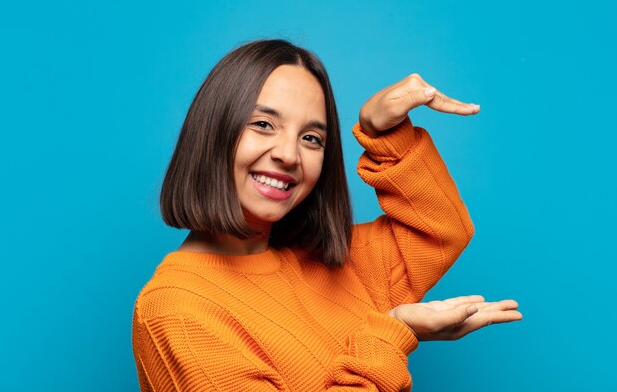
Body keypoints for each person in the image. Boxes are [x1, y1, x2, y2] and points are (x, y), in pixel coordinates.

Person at [132, 39, 522, 391]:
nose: (289, 154)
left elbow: (440, 231)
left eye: (311, 138)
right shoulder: (175, 309)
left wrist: (384, 133)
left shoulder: (329, 261)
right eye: (263, 124)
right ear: (213, 132)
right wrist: (393, 333)